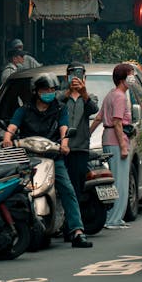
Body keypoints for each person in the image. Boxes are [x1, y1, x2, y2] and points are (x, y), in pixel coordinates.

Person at [1, 73, 93, 248]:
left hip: (53, 158)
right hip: (27, 159)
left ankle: (77, 231)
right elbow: (12, 127)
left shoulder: (59, 108)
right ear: (36, 91)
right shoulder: (24, 110)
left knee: (68, 189)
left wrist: (64, 144)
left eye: (52, 90)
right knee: (13, 190)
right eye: (45, 90)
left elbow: (64, 128)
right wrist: (7, 139)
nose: (49, 93)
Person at [90, 63, 133, 230]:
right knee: (120, 182)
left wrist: (88, 134)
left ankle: (113, 217)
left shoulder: (110, 94)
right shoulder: (120, 97)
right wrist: (123, 146)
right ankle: (113, 219)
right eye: (131, 75)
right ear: (123, 79)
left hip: (107, 138)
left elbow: (99, 117)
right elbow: (117, 122)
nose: (133, 79)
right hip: (116, 140)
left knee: (114, 179)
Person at [60, 64, 98, 205]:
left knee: (77, 187)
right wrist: (68, 92)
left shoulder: (89, 97)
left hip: (81, 148)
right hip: (63, 148)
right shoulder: (61, 97)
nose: (76, 79)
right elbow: (53, 106)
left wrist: (84, 93)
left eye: (79, 75)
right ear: (67, 77)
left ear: (85, 78)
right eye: (72, 75)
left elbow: (93, 109)